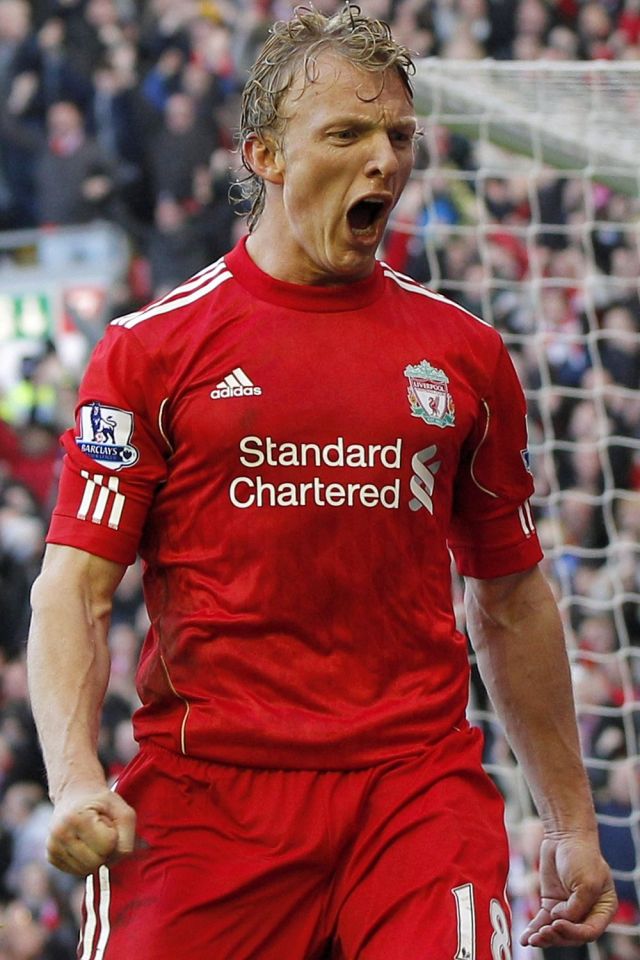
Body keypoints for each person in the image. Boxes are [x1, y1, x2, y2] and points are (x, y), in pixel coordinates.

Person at [27, 5, 617, 959]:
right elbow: (76, 589)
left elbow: (510, 596)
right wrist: (73, 778)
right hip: (211, 794)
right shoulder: (153, 351)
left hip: (412, 789)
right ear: (262, 155)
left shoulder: (463, 354)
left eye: (398, 135)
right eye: (346, 133)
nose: (383, 159)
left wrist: (570, 823)